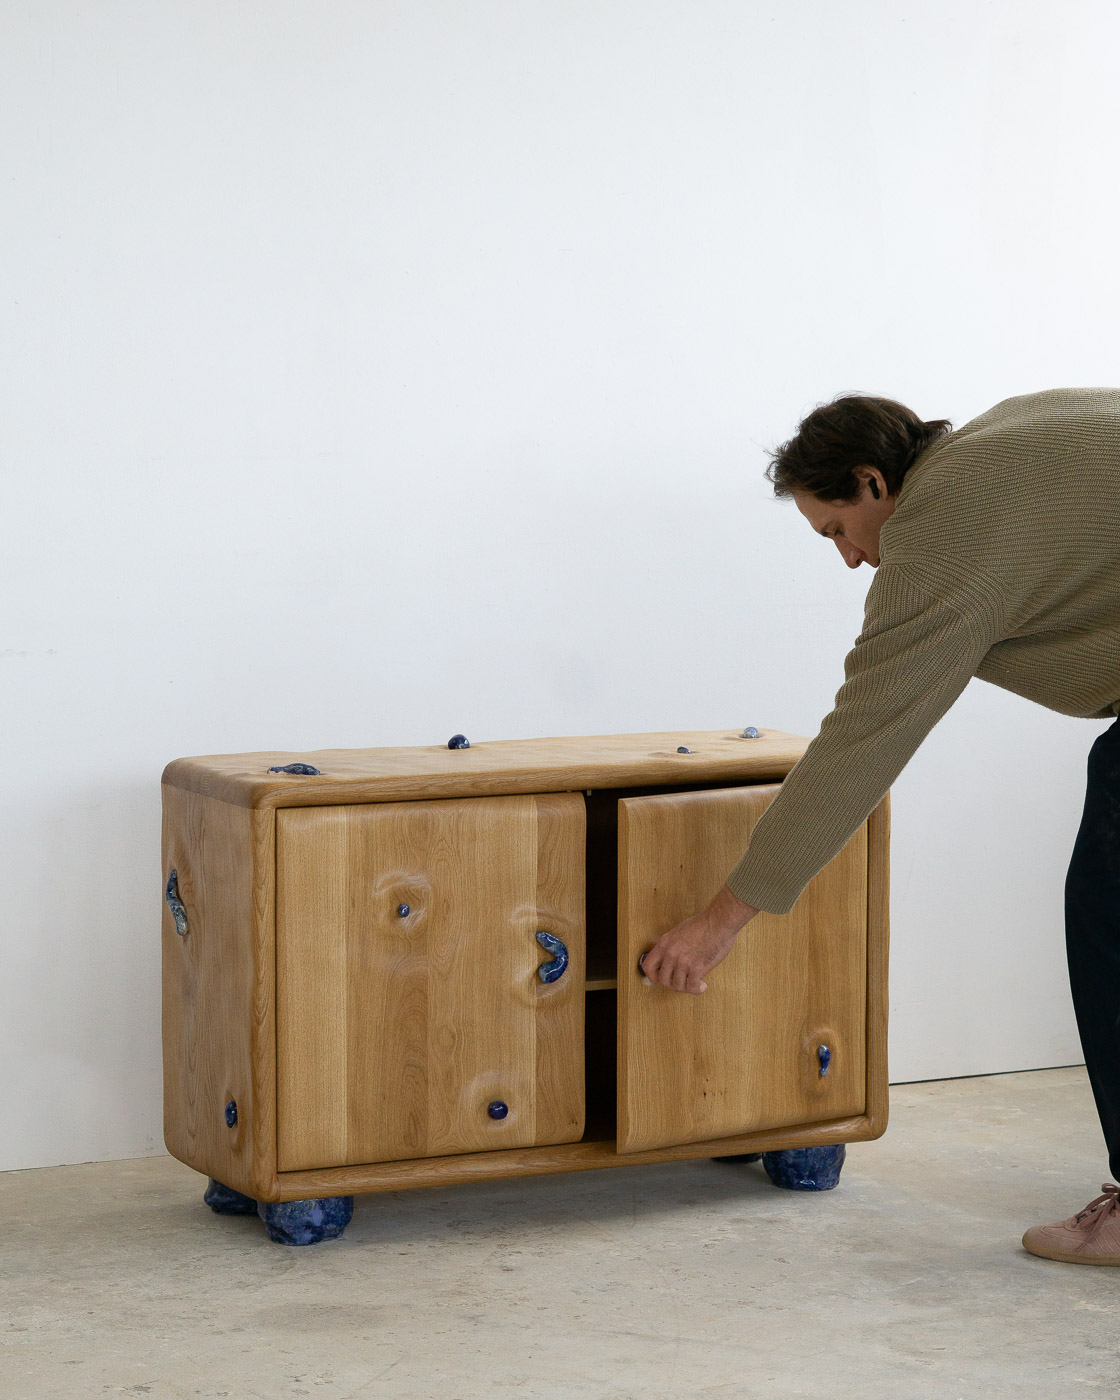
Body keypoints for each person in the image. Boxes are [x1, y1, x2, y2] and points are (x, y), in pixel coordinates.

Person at [639, 388, 1120, 1265]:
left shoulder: (941, 527)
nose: (851, 558)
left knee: (1110, 913)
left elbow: (863, 739)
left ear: (871, 480)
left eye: (837, 529)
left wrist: (722, 919)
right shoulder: (1011, 429)